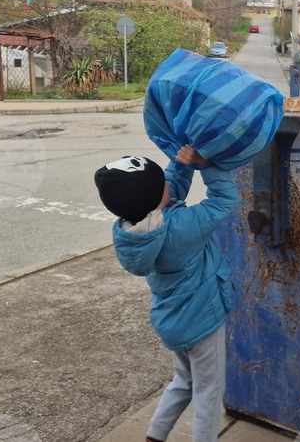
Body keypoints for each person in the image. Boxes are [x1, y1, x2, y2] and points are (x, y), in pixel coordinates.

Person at [93, 146, 238, 442]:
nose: (167, 184)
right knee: (209, 392)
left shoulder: (135, 227)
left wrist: (182, 161)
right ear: (156, 197)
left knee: (184, 381)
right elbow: (224, 199)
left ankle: (155, 435)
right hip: (202, 321)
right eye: (161, 184)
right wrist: (205, 163)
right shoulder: (182, 227)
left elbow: (169, 188)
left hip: (173, 321)